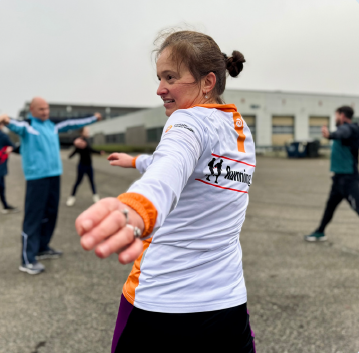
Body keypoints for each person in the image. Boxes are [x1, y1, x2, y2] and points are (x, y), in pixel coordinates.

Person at [76, 31, 256, 352]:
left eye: (170, 77)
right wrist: (136, 161)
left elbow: (171, 168)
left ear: (207, 82)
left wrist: (138, 208)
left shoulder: (188, 120)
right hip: (227, 306)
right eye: (160, 78)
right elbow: (178, 165)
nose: (160, 89)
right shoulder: (237, 128)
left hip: (161, 306)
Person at [0, 97, 102, 275]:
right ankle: (27, 260)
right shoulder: (27, 126)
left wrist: (94, 117)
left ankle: (42, 247)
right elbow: (13, 124)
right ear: (32, 110)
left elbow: (73, 122)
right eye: (41, 109)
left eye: (46, 109)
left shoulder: (53, 125)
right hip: (36, 178)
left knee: (51, 213)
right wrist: (6, 120)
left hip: (54, 175)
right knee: (33, 217)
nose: (45, 112)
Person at [306, 106, 359, 241]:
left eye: (336, 115)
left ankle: (320, 231)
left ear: (342, 116)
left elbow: (343, 133)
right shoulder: (345, 129)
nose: (335, 118)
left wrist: (330, 135)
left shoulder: (349, 129)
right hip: (338, 179)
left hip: (348, 179)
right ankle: (320, 231)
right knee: (330, 207)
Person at [66, 127, 104, 206]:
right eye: (86, 131)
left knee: (92, 182)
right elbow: (76, 150)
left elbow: (90, 150)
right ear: (82, 132)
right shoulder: (79, 141)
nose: (88, 132)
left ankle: (95, 197)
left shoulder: (87, 140)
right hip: (82, 166)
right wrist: (70, 155)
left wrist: (99, 152)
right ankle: (71, 197)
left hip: (89, 166)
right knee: (78, 182)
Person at [0, 122, 18, 214]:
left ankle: (5, 206)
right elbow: (13, 146)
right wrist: (10, 148)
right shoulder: (3, 136)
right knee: (1, 187)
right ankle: (5, 206)